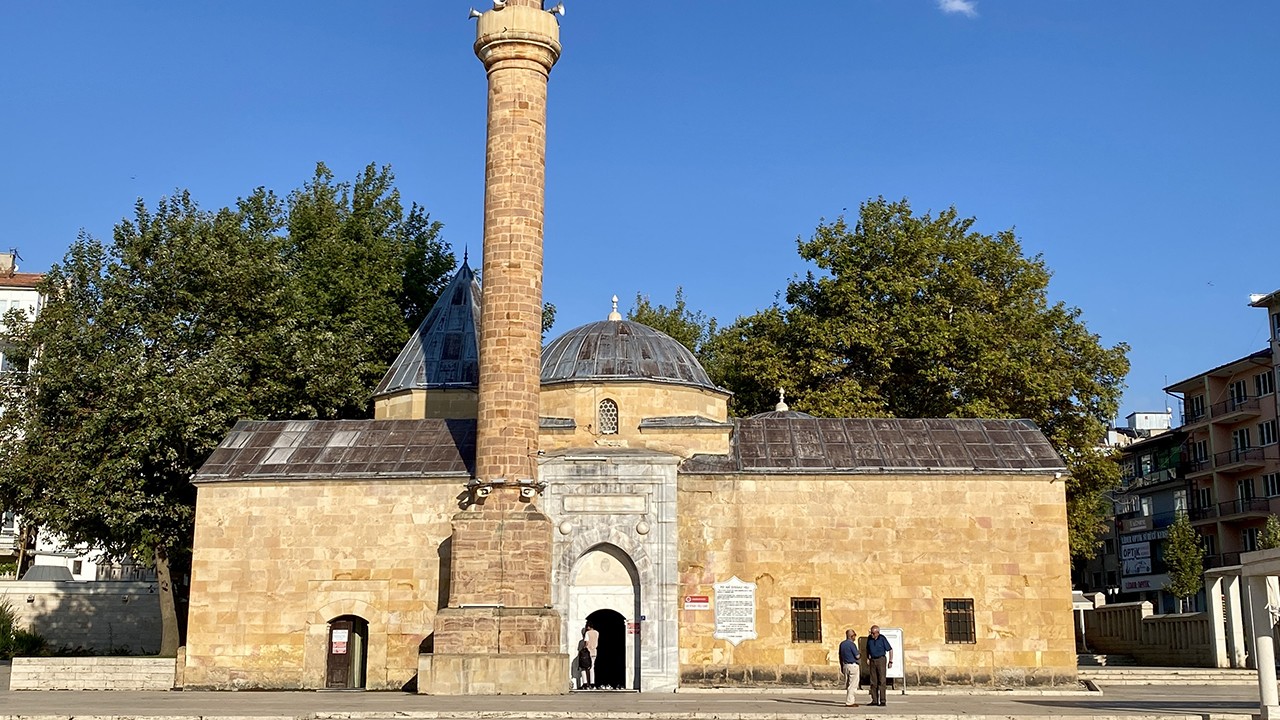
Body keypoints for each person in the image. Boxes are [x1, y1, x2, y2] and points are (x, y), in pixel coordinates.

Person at [865, 625, 894, 706]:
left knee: (882, 680)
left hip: (881, 659)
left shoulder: (882, 638)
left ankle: (883, 700)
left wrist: (891, 661)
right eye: (871, 633)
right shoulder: (869, 638)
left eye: (873, 633)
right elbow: (867, 649)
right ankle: (874, 700)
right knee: (873, 681)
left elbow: (890, 649)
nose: (872, 635)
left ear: (877, 633)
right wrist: (868, 658)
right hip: (872, 660)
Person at [837, 628, 860, 706]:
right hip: (853, 665)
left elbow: (840, 656)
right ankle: (850, 702)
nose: (855, 637)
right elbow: (857, 656)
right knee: (853, 685)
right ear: (851, 636)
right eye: (854, 635)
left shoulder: (842, 644)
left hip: (845, 665)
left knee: (848, 684)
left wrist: (841, 665)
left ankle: (850, 700)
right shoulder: (852, 644)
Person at [583, 621, 600, 688]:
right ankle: (592, 683)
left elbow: (586, 642)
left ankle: (585, 683)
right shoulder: (597, 633)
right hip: (594, 651)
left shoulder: (587, 633)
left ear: (588, 627)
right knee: (592, 667)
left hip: (587, 652)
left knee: (584, 667)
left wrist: (583, 648)